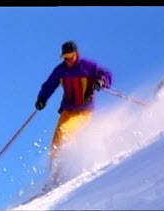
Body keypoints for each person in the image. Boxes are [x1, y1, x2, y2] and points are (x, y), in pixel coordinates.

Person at [35, 40, 112, 187]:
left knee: (66, 133)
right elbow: (50, 84)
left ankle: (67, 172)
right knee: (56, 143)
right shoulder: (61, 70)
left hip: (84, 111)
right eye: (65, 57)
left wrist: (101, 81)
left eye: (70, 57)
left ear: (76, 54)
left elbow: (105, 74)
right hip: (68, 111)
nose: (68, 60)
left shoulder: (88, 66)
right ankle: (54, 178)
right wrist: (42, 98)